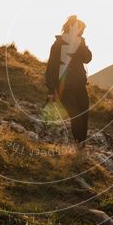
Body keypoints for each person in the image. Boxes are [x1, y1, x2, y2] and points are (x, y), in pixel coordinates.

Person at [45, 15, 92, 148]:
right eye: (80, 30)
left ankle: (81, 144)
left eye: (82, 31)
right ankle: (79, 144)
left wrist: (81, 43)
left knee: (84, 114)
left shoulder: (79, 43)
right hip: (64, 88)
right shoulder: (58, 44)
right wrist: (50, 89)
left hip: (80, 86)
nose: (81, 32)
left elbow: (87, 58)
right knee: (76, 115)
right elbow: (51, 67)